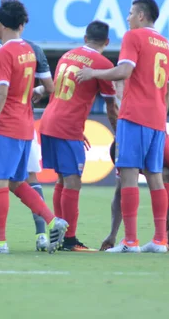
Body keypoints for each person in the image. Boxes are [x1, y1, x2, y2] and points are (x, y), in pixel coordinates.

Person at [0, 0, 68, 254]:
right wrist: (38, 91)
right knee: (17, 182)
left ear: (3, 25)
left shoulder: (3, 53)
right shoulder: (28, 51)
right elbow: (47, 85)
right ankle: (54, 220)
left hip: (5, 127)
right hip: (24, 126)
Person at [76, 0, 169, 253]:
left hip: (134, 115)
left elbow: (123, 71)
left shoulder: (134, 36)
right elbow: (168, 90)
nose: (128, 18)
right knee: (154, 176)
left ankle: (130, 240)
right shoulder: (166, 45)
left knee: (128, 173)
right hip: (157, 118)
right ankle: (160, 240)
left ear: (141, 16)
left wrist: (94, 74)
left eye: (131, 13)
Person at [39, 20, 118, 252]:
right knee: (73, 181)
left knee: (62, 180)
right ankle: (70, 240)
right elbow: (111, 107)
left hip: (49, 120)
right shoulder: (103, 64)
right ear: (107, 42)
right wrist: (119, 135)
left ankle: (59, 231)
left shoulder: (67, 55)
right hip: (67, 125)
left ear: (85, 38)